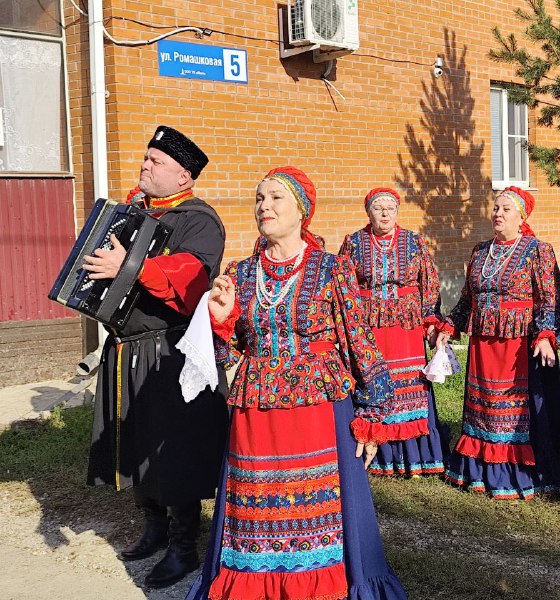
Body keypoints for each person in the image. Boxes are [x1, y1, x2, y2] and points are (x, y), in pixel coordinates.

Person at [186, 167, 407, 600]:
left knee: (320, 511)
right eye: (259, 198)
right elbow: (226, 359)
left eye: (275, 198)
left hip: (317, 412)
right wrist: (221, 322)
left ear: (302, 210)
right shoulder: (240, 273)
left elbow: (360, 343)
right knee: (256, 514)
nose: (263, 206)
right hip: (256, 415)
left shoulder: (331, 269)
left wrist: (373, 415)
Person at [83, 126, 229, 588]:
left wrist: (129, 266)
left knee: (173, 447)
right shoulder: (132, 214)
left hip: (169, 350)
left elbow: (190, 277)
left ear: (184, 175)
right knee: (136, 440)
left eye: (155, 161)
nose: (144, 165)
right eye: (145, 158)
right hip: (126, 347)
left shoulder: (199, 220)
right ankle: (154, 526)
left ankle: (184, 544)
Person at [433, 186, 560, 499]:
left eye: (505, 209)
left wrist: (546, 335)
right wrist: (449, 325)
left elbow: (551, 299)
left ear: (521, 217)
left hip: (518, 346)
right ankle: (479, 468)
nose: (498, 214)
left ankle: (518, 472)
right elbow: (467, 299)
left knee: (516, 410)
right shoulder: (480, 251)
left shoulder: (538, 250)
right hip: (484, 344)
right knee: (483, 408)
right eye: (495, 208)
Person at [338, 187, 449, 477]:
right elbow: (343, 285)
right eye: (378, 208)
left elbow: (430, 283)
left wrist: (430, 321)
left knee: (410, 385)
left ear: (397, 212)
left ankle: (415, 456)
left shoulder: (414, 241)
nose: (385, 213)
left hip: (406, 325)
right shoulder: (353, 242)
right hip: (369, 327)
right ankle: (380, 455)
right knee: (374, 381)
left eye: (390, 208)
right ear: (368, 213)